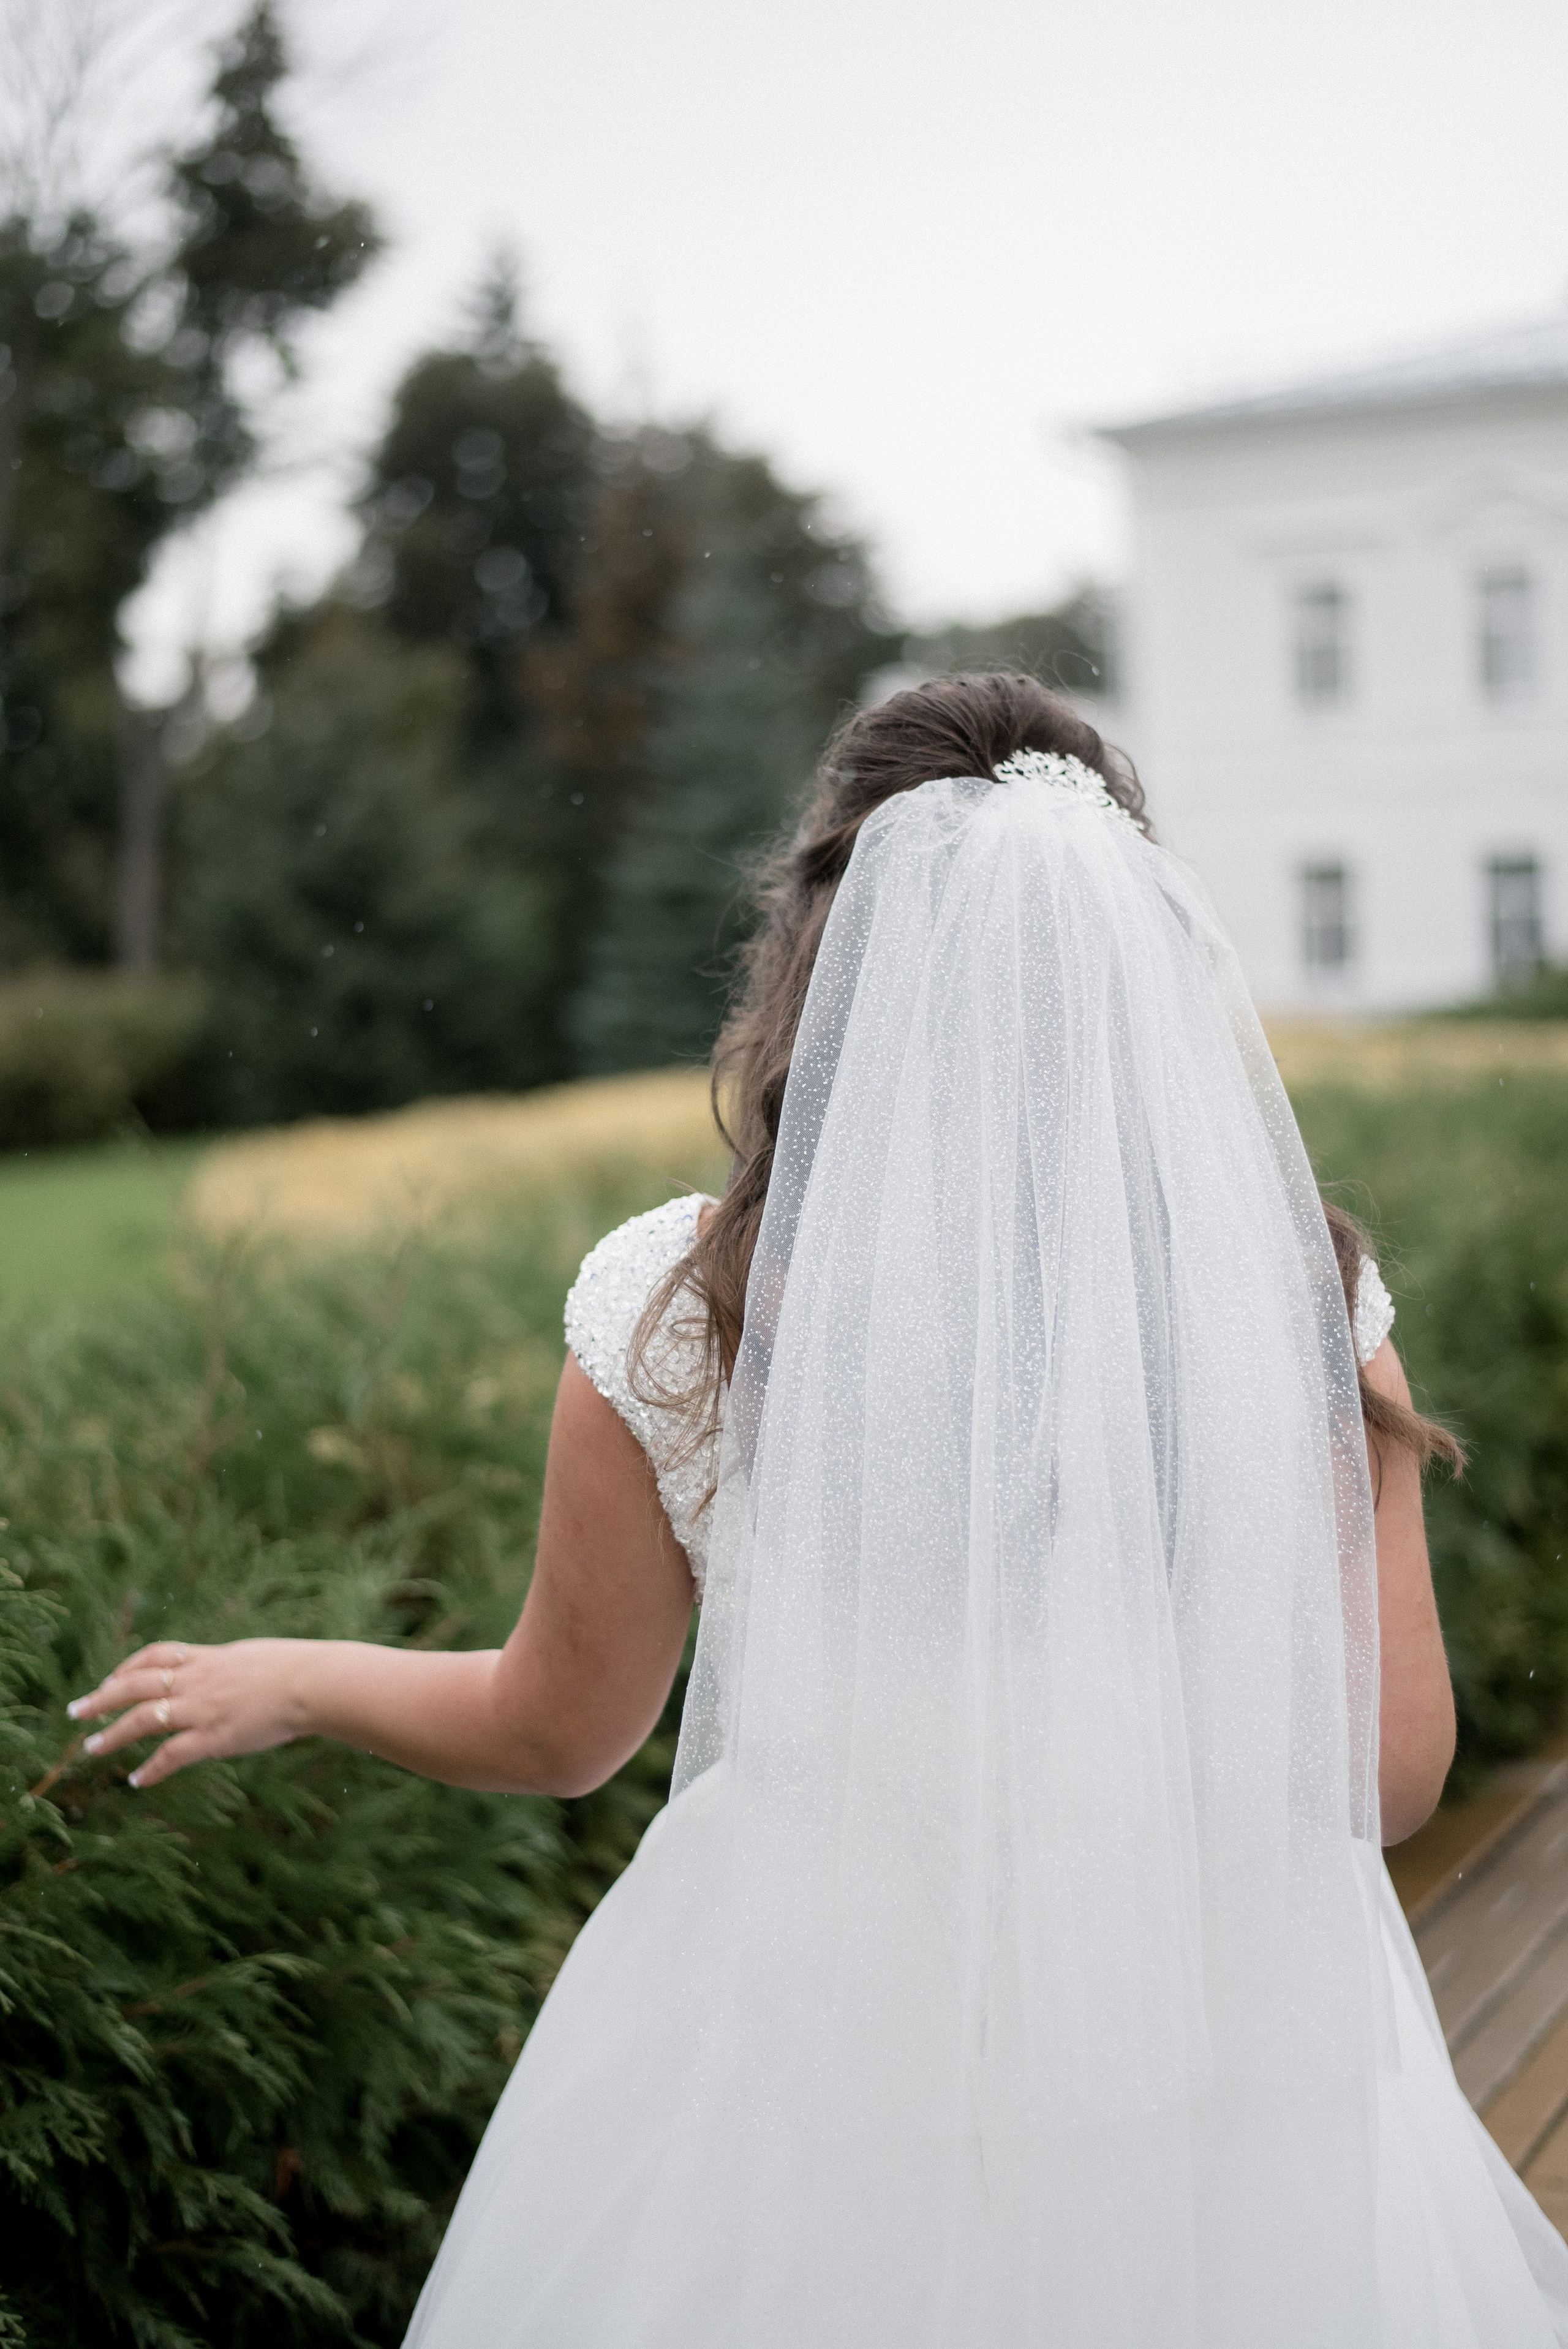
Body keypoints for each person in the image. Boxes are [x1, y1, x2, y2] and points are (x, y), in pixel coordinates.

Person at [70, 677, 1568, 2345]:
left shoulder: (691, 1309)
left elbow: (561, 1727)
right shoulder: (1293, 1301)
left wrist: (295, 1675)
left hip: (824, 2085)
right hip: (1191, 2060)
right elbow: (1389, 1769)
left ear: (822, 963)